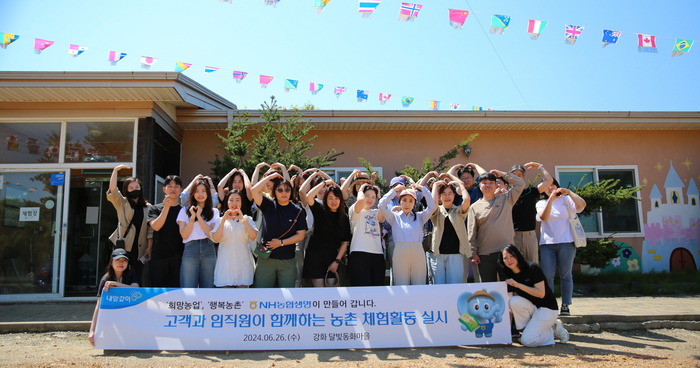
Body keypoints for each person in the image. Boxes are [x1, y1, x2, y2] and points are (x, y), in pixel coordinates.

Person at [499, 245, 569, 347]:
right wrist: (507, 335)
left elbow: (541, 294)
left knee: (527, 341)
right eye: (505, 258)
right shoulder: (509, 276)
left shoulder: (532, 267)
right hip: (533, 309)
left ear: (517, 255)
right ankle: (547, 327)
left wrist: (518, 285)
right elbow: (510, 308)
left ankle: (552, 330)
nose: (509, 260)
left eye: (512, 256)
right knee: (513, 301)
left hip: (547, 309)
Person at [536, 179, 587, 316]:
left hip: (567, 243)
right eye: (547, 186)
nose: (550, 187)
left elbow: (582, 205)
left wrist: (569, 192)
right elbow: (544, 217)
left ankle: (565, 305)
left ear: (558, 186)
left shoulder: (566, 201)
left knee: (566, 274)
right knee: (547, 276)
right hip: (547, 244)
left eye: (553, 185)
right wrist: (551, 200)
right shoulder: (541, 203)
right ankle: (550, 305)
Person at [250, 170, 308, 288]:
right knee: (263, 295)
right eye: (279, 190)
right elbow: (253, 190)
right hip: (266, 258)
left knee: (287, 297)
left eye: (287, 190)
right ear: (274, 191)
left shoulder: (297, 211)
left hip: (287, 260)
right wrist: (270, 177)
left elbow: (300, 235)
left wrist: (281, 243)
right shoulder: (268, 205)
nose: (284, 193)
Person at [467, 169, 526, 283]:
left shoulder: (507, 199)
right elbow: (471, 232)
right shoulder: (474, 207)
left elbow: (520, 184)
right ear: (479, 186)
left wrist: (504, 174)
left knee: (509, 286)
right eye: (484, 183)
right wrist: (473, 253)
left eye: (491, 182)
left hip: (507, 252)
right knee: (488, 288)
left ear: (495, 185)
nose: (488, 185)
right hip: (485, 254)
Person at [378, 173, 437, 286]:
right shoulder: (393, 217)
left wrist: (422, 188)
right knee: (401, 284)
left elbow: (432, 206)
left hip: (418, 251)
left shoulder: (420, 216)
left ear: (415, 203)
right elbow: (381, 205)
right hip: (400, 251)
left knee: (419, 283)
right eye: (404, 200)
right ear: (399, 201)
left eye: (411, 201)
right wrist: (394, 191)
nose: (407, 203)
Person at [300, 178, 351, 287]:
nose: (334, 201)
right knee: (320, 293)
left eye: (337, 198)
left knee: (331, 293)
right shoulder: (319, 210)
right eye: (330, 198)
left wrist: (337, 261)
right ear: (325, 199)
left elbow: (344, 242)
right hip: (315, 258)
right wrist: (324, 183)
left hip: (333, 260)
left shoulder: (344, 218)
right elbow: (308, 196)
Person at [107, 165, 151, 283]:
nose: (134, 189)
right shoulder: (122, 202)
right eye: (131, 187)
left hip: (140, 248)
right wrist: (115, 170)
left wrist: (149, 247)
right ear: (126, 190)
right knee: (121, 274)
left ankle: (136, 300)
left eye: (137, 186)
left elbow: (150, 229)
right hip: (124, 246)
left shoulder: (148, 207)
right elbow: (113, 189)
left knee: (137, 276)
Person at [87, 248, 139, 346]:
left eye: (124, 260)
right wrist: (92, 330)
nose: (121, 263)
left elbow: (136, 289)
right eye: (118, 260)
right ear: (111, 262)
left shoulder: (131, 273)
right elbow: (99, 306)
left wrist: (116, 284)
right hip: (112, 315)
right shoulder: (105, 279)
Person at [177, 178, 219, 288]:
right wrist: (192, 218)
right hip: (191, 248)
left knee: (208, 286)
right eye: (197, 191)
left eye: (203, 191)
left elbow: (211, 234)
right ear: (193, 193)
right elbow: (184, 234)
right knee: (188, 285)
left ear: (208, 193)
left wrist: (199, 217)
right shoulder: (184, 211)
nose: (200, 194)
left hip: (209, 248)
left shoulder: (214, 212)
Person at [211, 191, 258, 288]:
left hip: (243, 263)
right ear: (227, 202)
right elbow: (216, 239)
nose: (234, 203)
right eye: (231, 200)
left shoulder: (247, 219)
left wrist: (243, 219)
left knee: (242, 296)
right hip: (225, 263)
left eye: (237, 200)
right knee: (226, 297)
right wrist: (224, 220)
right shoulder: (220, 220)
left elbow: (253, 236)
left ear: (241, 202)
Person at [428, 178, 471, 284]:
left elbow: (467, 200)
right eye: (444, 194)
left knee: (455, 287)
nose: (447, 196)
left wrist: (461, 185)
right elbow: (432, 203)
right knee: (439, 287)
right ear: (440, 196)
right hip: (438, 255)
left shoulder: (458, 210)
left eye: (450, 193)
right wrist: (435, 186)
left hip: (456, 255)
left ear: (454, 195)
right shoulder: (437, 211)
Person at [510, 163, 554, 264]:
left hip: (529, 236)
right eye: (513, 175)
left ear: (524, 177)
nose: (516, 177)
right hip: (512, 236)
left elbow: (549, 180)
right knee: (513, 267)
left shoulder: (531, 192)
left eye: (519, 175)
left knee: (532, 266)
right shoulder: (506, 195)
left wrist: (540, 166)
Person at [148, 175, 184, 287]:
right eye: (170, 186)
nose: (173, 189)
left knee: (176, 291)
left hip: (179, 256)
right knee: (158, 291)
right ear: (164, 189)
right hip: (159, 256)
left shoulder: (184, 210)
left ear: (181, 190)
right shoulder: (154, 208)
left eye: (176, 186)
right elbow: (156, 226)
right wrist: (166, 208)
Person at [348, 184, 386, 286]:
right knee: (360, 288)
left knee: (377, 288)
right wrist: (360, 189)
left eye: (373, 197)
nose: (370, 199)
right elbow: (360, 201)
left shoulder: (376, 212)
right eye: (367, 195)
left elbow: (383, 213)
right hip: (359, 253)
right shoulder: (354, 209)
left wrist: (379, 197)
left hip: (377, 254)